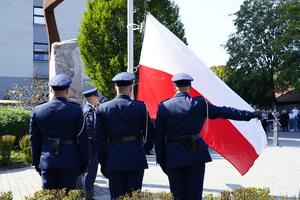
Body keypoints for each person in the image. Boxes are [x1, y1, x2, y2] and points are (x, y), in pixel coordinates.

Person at [154, 73, 262, 200]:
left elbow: (159, 137)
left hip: (173, 157)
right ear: (190, 87)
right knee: (195, 195)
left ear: (174, 87)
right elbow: (224, 111)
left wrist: (161, 160)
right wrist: (250, 114)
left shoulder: (164, 106)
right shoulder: (200, 104)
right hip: (195, 155)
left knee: (177, 196)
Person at [95, 72, 153, 199]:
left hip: (114, 158)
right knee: (134, 195)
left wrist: (103, 161)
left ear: (115, 88)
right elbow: (149, 133)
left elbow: (99, 139)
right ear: (131, 88)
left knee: (116, 196)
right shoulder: (141, 107)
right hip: (135, 157)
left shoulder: (103, 108)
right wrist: (145, 149)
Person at [29, 74, 90, 191]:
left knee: (50, 196)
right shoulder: (76, 110)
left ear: (51, 90)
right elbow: (83, 139)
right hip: (70, 161)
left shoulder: (38, 110)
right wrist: (84, 162)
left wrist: (37, 162)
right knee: (68, 196)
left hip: (47, 161)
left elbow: (34, 140)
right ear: (67, 91)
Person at [82, 88, 101, 200]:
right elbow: (91, 130)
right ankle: (87, 195)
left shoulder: (88, 109)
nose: (98, 99)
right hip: (91, 144)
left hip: (89, 144)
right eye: (97, 96)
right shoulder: (90, 111)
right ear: (93, 97)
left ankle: (87, 193)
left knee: (90, 169)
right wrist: (97, 142)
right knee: (91, 169)